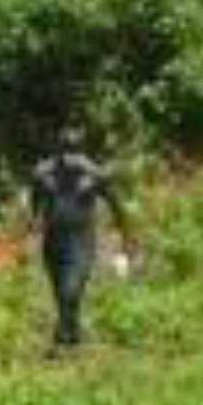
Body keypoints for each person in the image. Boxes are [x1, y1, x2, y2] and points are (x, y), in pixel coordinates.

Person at [28, 127, 133, 351]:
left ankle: (60, 339)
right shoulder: (43, 175)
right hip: (53, 243)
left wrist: (126, 242)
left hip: (81, 243)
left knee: (71, 290)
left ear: (81, 154)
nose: (68, 159)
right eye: (64, 152)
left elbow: (118, 208)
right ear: (57, 153)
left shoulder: (94, 176)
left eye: (73, 153)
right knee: (61, 295)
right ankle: (73, 338)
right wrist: (31, 227)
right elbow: (34, 204)